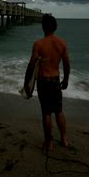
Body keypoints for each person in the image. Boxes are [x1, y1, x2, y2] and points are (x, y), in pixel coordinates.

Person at [25, 14, 70, 151]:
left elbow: (31, 65)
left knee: (46, 113)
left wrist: (26, 83)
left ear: (43, 27)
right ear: (55, 27)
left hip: (43, 82)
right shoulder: (62, 43)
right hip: (55, 81)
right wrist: (66, 79)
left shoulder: (39, 44)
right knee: (59, 111)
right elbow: (67, 64)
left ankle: (49, 142)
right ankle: (63, 139)